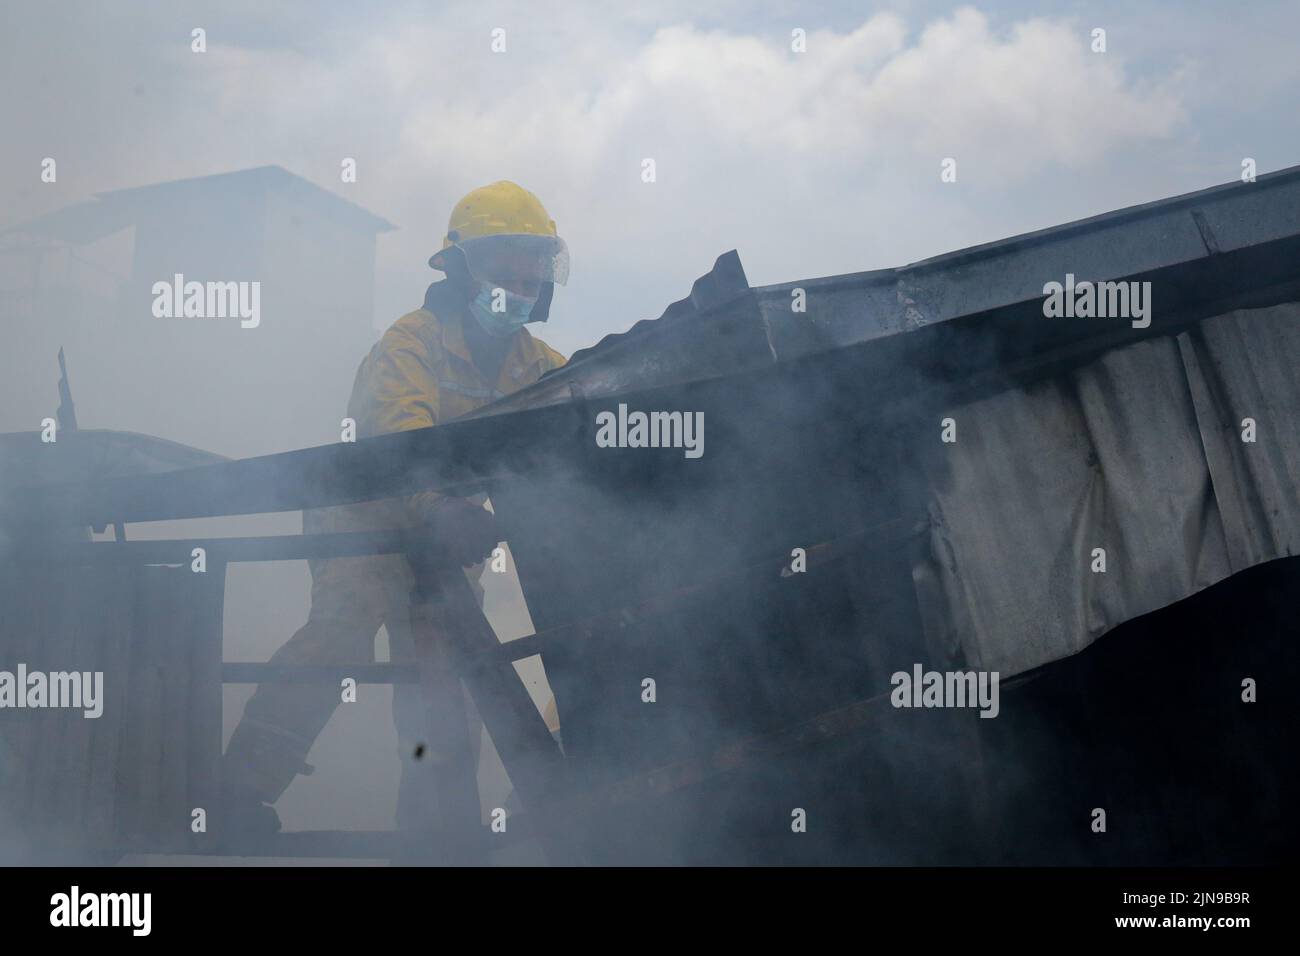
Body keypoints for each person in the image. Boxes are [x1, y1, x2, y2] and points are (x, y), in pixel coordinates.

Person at [219, 181, 569, 836]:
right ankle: (237, 792)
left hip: (449, 533)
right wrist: (439, 509)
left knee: (446, 683)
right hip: (362, 520)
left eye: (534, 264)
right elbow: (403, 442)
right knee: (340, 632)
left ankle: (436, 832)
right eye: (506, 263)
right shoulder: (411, 343)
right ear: (461, 269)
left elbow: (579, 406)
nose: (522, 280)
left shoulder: (535, 365)